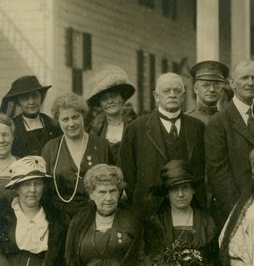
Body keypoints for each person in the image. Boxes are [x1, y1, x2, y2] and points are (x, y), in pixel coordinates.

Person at [120, 72, 206, 220]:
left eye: (177, 91)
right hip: (149, 212)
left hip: (190, 210)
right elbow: (128, 173)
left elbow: (202, 169)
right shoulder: (136, 129)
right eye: (166, 91)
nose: (172, 95)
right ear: (156, 96)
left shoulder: (197, 127)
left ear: (184, 95)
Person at [205, 60, 254, 226]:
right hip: (234, 213)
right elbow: (218, 175)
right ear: (232, 83)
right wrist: (242, 212)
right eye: (244, 78)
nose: (250, 83)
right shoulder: (218, 123)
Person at [41, 93, 110, 225]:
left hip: (96, 218)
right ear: (58, 121)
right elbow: (45, 191)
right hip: (59, 221)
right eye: (65, 119)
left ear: (83, 115)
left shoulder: (101, 146)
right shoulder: (50, 149)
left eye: (75, 117)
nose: (71, 124)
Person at [0, 74, 61, 158]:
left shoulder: (51, 123)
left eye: (35, 96)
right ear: (18, 102)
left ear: (41, 97)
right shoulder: (12, 126)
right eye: (25, 98)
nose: (31, 102)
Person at [85, 65, 137, 165]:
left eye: (113, 96)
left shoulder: (136, 125)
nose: (110, 101)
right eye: (104, 99)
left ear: (122, 98)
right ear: (100, 104)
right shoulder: (94, 128)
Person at [187, 59, 229, 124]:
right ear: (196, 89)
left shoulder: (228, 120)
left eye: (216, 85)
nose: (212, 89)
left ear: (222, 90)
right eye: (206, 85)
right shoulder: (186, 120)